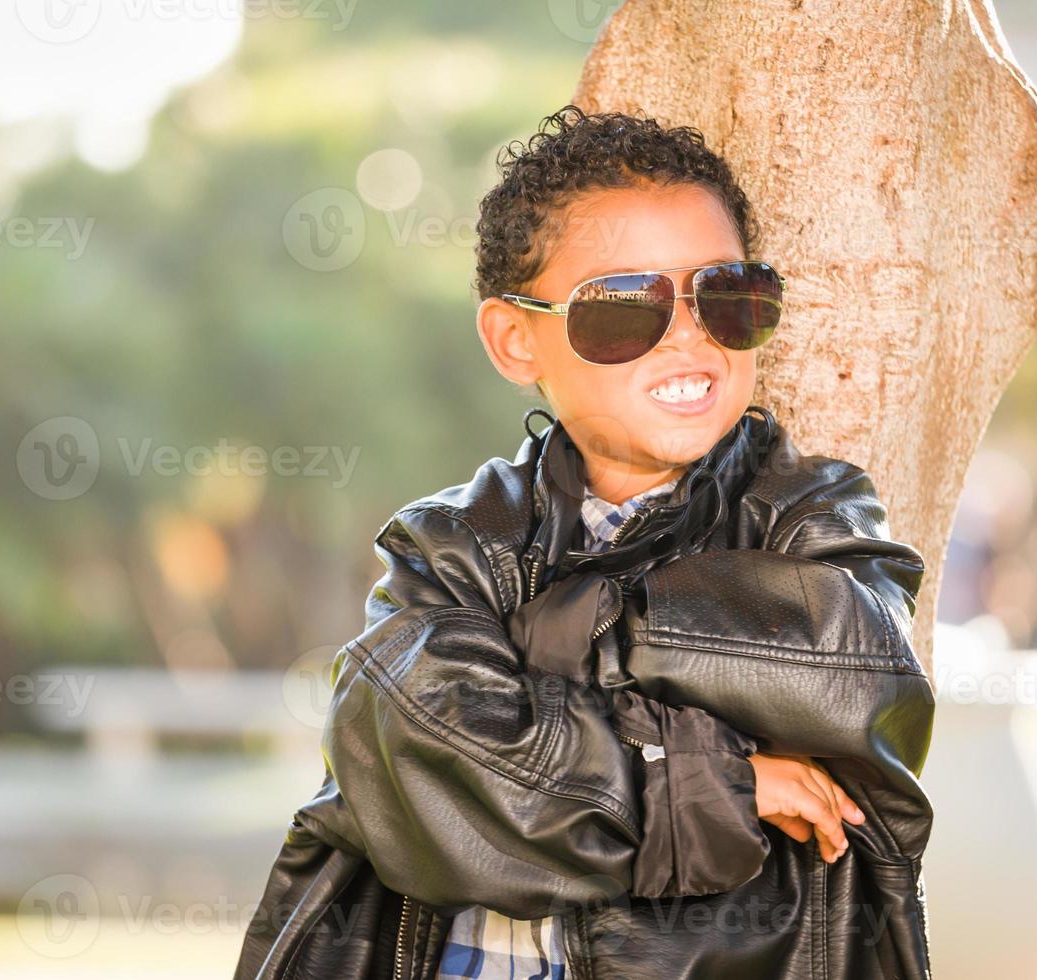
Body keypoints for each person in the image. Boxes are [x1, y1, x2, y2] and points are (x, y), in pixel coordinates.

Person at [235, 104, 935, 980]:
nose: (688, 334)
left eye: (725, 294)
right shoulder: (447, 544)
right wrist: (717, 786)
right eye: (623, 307)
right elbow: (425, 756)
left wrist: (546, 653)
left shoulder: (811, 516)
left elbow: (861, 687)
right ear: (514, 337)